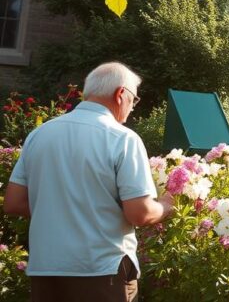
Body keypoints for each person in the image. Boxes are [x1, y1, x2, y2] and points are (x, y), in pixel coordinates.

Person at [2, 62, 174, 302]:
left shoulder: (40, 134)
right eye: (134, 100)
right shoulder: (123, 139)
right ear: (120, 94)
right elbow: (140, 214)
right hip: (102, 271)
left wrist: (61, 209)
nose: (132, 108)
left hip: (46, 270)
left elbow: (13, 202)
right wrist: (166, 205)